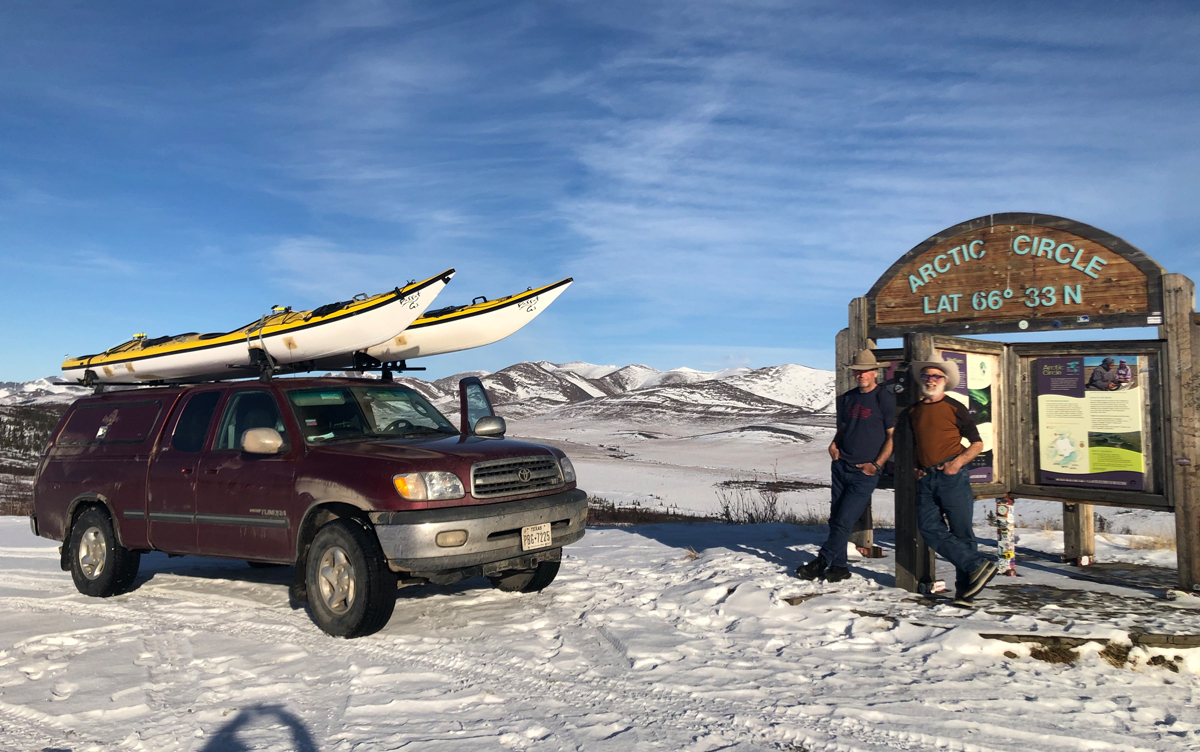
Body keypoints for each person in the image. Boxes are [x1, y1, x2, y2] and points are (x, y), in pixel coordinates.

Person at [795, 349, 895, 583]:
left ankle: (821, 562)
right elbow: (843, 428)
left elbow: (891, 436)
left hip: (864, 472)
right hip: (841, 466)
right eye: (858, 371)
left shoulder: (884, 398)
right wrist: (834, 443)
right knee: (835, 519)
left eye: (865, 371)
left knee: (844, 520)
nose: (861, 375)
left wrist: (877, 465)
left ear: (875, 372)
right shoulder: (848, 398)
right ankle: (839, 567)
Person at [907, 358, 997, 607]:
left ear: (945, 381)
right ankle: (977, 565)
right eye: (927, 376)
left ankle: (966, 592)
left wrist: (957, 463)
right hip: (927, 477)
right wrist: (916, 465)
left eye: (936, 376)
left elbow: (977, 443)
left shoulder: (954, 407)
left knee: (961, 531)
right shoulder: (914, 411)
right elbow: (918, 442)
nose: (931, 380)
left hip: (952, 475)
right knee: (927, 527)